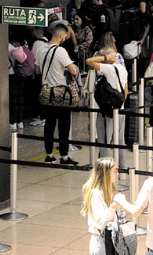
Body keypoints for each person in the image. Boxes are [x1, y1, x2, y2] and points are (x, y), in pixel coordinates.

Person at [37, 20, 79, 165]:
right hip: (61, 92)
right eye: (64, 37)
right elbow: (73, 70)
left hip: (46, 91)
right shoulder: (60, 51)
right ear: (61, 35)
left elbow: (37, 70)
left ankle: (49, 155)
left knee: (49, 124)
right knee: (64, 125)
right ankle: (64, 156)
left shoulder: (41, 49)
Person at [85, 46, 128, 164]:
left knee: (104, 140)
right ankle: (122, 166)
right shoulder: (122, 68)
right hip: (120, 109)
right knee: (120, 139)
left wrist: (105, 57)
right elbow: (126, 91)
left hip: (108, 110)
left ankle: (105, 167)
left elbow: (89, 61)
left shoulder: (109, 69)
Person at [81, 157, 121, 255]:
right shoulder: (96, 194)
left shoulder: (110, 191)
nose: (117, 174)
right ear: (106, 173)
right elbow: (101, 222)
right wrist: (113, 207)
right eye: (114, 171)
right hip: (101, 242)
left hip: (111, 240)